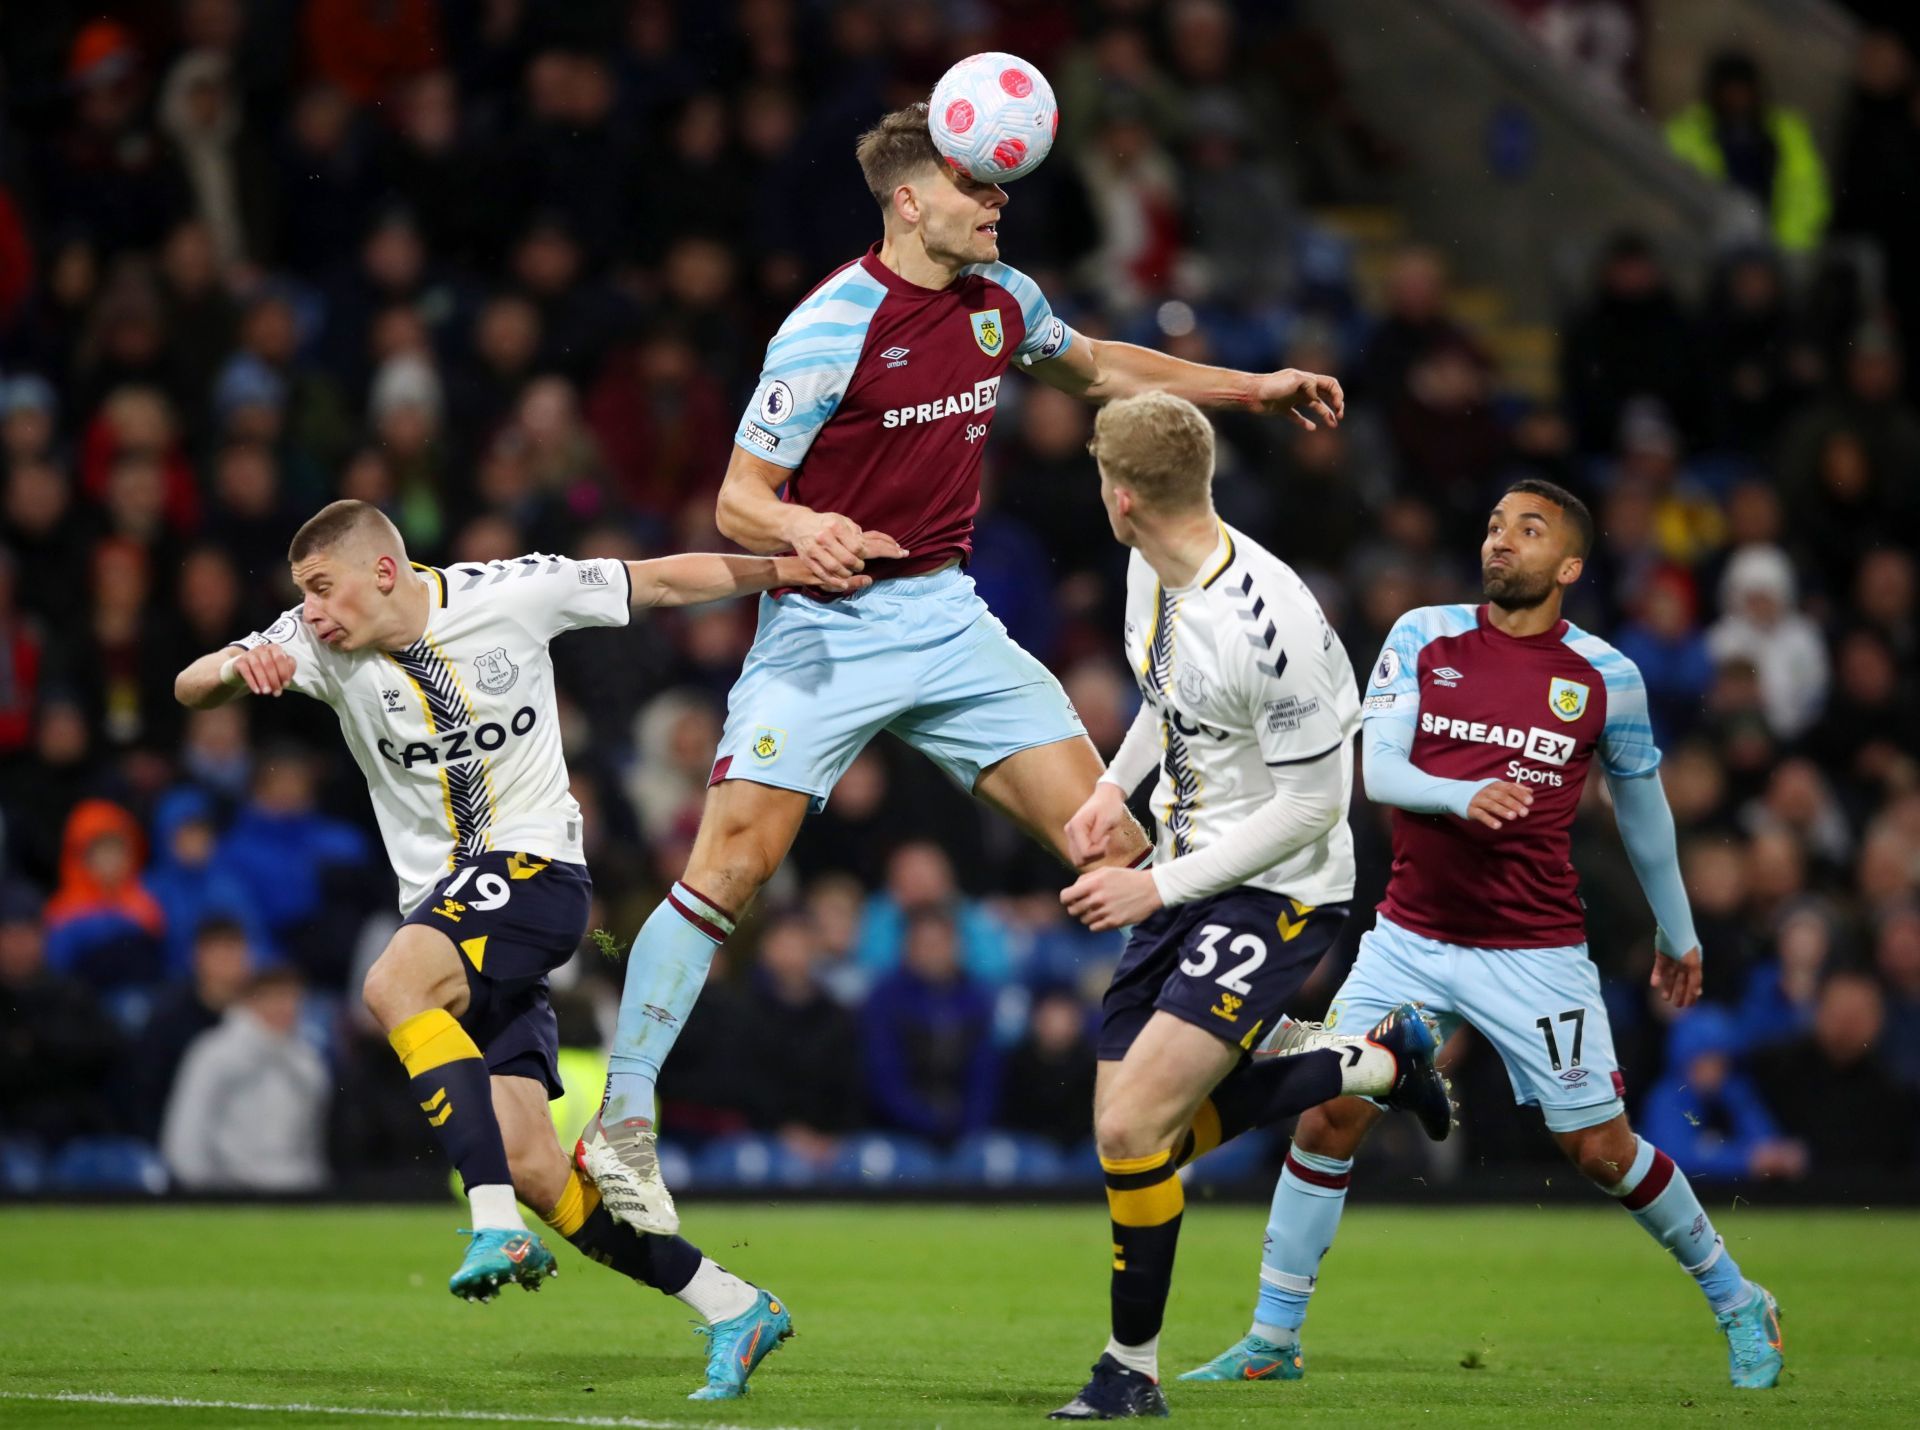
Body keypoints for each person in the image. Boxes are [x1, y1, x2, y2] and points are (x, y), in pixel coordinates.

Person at [585, 101, 1348, 1236]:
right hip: (826, 624)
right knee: (731, 867)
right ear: (909, 199)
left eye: (1001, 188)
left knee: (1113, 838)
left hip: (945, 615)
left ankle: (1248, 1018)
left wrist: (1251, 387)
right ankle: (624, 1121)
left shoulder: (1003, 301)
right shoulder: (828, 324)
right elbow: (738, 496)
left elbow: (1097, 371)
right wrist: (798, 531)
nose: (999, 204)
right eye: (977, 187)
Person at [171, 500, 860, 1399]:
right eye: (301, 597)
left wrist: (782, 567)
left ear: (383, 571)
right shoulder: (313, 640)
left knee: (391, 983)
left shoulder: (511, 593)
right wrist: (234, 664)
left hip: (535, 874)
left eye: (321, 587)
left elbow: (656, 580)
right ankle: (731, 1303)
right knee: (538, 1164)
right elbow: (190, 687)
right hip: (454, 920)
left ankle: (488, 1220)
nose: (310, 610)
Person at [1185, 479, 1786, 1391]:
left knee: (1602, 1154)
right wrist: (1461, 794)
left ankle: (1742, 1301)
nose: (1502, 540)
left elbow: (1644, 808)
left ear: (1570, 565)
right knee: (1329, 1112)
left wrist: (1678, 928)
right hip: (1409, 938)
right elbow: (1380, 772)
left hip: (1535, 952)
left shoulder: (1606, 677)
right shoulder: (1424, 635)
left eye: (1529, 529)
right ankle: (1274, 1338)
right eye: (1497, 523)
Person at [1046, 392, 1448, 1419]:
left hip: (1277, 887)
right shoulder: (1153, 565)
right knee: (1132, 1138)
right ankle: (1374, 1060)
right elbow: (1165, 696)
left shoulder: (1279, 629)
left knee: (1137, 1128)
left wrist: (1154, 883)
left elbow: (1317, 807)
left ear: (1121, 494)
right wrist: (1109, 788)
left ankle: (1128, 1369)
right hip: (1186, 872)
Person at [160, 966, 329, 1192]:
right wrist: (203, 1193)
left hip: (297, 1193)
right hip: (228, 1193)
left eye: (292, 997)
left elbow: (313, 1142)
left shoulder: (307, 1062)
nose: (285, 1007)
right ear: (250, 1001)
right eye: (275, 997)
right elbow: (186, 1133)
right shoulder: (213, 1053)